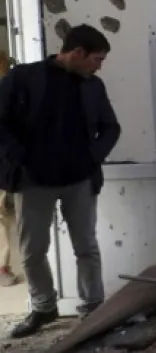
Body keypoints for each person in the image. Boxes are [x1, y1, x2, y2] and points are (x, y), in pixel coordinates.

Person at [0, 25, 119, 337]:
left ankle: (94, 308)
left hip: (79, 180)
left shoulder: (93, 86)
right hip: (33, 181)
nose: (99, 66)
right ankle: (44, 307)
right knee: (32, 250)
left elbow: (111, 127)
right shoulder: (23, 78)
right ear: (76, 53)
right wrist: (19, 156)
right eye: (96, 59)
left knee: (86, 247)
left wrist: (92, 156)